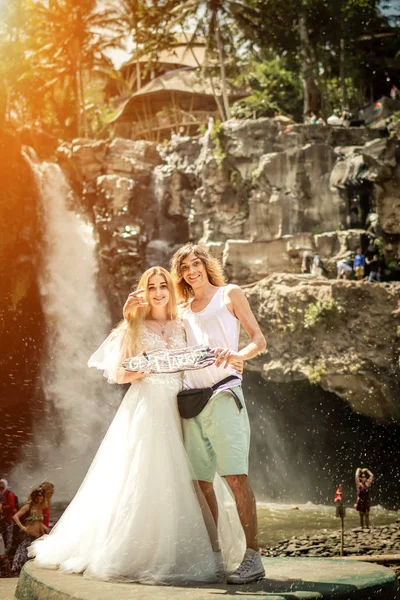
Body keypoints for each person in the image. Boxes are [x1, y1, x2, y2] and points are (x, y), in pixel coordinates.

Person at [30, 266, 244, 584]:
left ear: (171, 290)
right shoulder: (134, 325)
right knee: (147, 476)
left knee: (195, 477)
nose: (158, 292)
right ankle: (144, 550)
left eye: (163, 286)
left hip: (182, 406)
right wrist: (148, 368)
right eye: (152, 287)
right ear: (143, 291)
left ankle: (209, 549)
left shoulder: (183, 322)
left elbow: (201, 355)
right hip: (149, 407)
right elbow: (119, 374)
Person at [170, 243, 267, 584]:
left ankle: (252, 558)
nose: (191, 271)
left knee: (235, 477)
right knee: (200, 483)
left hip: (224, 395)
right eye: (184, 268)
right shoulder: (182, 310)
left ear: (206, 266)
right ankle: (215, 555)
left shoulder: (230, 293)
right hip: (190, 402)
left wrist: (240, 354)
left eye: (196, 264)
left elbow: (259, 340)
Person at [12, 487, 48, 574]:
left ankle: (31, 571)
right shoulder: (28, 506)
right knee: (24, 552)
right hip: (28, 534)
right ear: (34, 497)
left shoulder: (40, 508)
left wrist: (45, 528)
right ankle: (19, 570)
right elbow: (15, 516)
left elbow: (38, 521)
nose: (39, 499)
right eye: (38, 497)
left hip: (38, 535)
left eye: (41, 497)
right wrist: (22, 527)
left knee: (33, 553)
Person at [0, 479, 17, 553]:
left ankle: (7, 551)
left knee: (9, 535)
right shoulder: (1, 494)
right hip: (3, 517)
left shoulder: (9, 494)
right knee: (3, 535)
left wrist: (2, 508)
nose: (1, 487)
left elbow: (11, 505)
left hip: (9, 517)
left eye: (2, 486)